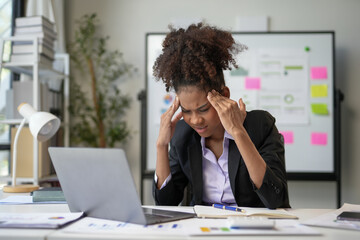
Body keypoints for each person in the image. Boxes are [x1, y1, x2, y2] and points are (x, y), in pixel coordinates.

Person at [152, 23, 290, 209]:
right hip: (203, 230)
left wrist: (238, 132)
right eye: (186, 111)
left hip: (252, 229)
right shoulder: (183, 135)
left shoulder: (260, 125)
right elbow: (165, 203)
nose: (195, 120)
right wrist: (161, 146)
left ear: (224, 95)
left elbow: (275, 200)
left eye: (203, 109)